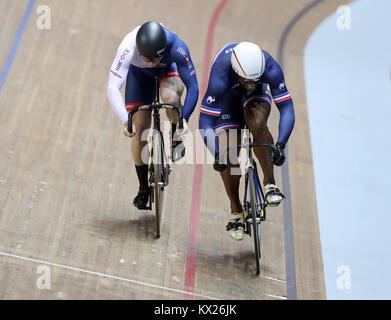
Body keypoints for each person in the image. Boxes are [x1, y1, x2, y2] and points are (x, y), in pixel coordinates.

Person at [199, 42, 295, 240]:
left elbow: (287, 108)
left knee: (257, 123)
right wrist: (216, 153)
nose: (251, 83)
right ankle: (236, 210)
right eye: (248, 80)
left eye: (255, 79)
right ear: (236, 70)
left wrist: (281, 143)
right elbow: (205, 121)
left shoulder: (269, 67)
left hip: (257, 96)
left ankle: (270, 184)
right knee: (229, 154)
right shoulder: (221, 74)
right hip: (228, 96)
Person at [107, 21, 199, 210]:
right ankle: (143, 188)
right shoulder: (128, 46)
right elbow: (112, 87)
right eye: (147, 59)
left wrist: (185, 118)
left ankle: (175, 133)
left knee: (170, 98)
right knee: (140, 128)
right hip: (138, 76)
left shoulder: (176, 46)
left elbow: (193, 85)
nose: (151, 63)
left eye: (155, 58)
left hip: (167, 71)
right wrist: (126, 120)